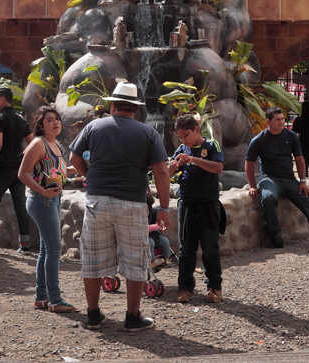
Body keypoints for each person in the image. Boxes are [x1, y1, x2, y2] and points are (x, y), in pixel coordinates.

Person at [70, 81, 171, 332]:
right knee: (135, 260)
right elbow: (160, 171)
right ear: (135, 109)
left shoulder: (94, 126)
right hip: (132, 202)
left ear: (113, 105)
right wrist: (164, 208)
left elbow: (73, 159)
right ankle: (132, 316)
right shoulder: (149, 133)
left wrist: (91, 175)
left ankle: (93, 315)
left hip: (97, 201)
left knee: (92, 258)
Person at [246, 107, 309, 249]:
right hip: (269, 179)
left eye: (282, 119)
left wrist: (302, 181)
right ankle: (274, 235)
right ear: (268, 121)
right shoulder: (258, 140)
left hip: (290, 180)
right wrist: (252, 186)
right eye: (277, 120)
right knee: (268, 197)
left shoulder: (291, 136)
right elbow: (249, 164)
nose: (281, 122)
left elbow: (299, 159)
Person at [18, 106, 79, 313]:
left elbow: (52, 170)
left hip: (52, 200)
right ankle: (55, 300)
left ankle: (41, 298)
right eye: (50, 120)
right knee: (53, 250)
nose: (56, 123)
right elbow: (23, 174)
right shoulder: (38, 143)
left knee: (46, 250)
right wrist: (43, 192)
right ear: (41, 125)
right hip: (41, 201)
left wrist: (71, 171)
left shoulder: (54, 144)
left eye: (57, 119)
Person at [168, 114, 224, 304]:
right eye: (180, 137)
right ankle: (185, 288)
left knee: (210, 248)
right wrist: (173, 166)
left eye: (186, 135)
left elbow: (218, 168)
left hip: (208, 204)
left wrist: (193, 159)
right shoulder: (181, 149)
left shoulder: (211, 146)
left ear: (197, 130)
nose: (184, 140)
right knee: (186, 249)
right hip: (187, 204)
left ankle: (215, 287)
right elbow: (167, 173)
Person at [0, 87, 33, 252]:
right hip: (18, 170)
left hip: (0, 169)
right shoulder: (21, 120)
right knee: (20, 205)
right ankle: (24, 244)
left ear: (2, 99)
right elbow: (32, 143)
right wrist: (24, 158)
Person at [146, 194, 174, 269]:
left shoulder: (153, 212)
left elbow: (157, 222)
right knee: (150, 242)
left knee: (165, 241)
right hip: (144, 236)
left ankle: (166, 259)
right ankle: (151, 261)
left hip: (154, 235)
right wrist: (156, 227)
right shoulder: (140, 215)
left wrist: (161, 224)